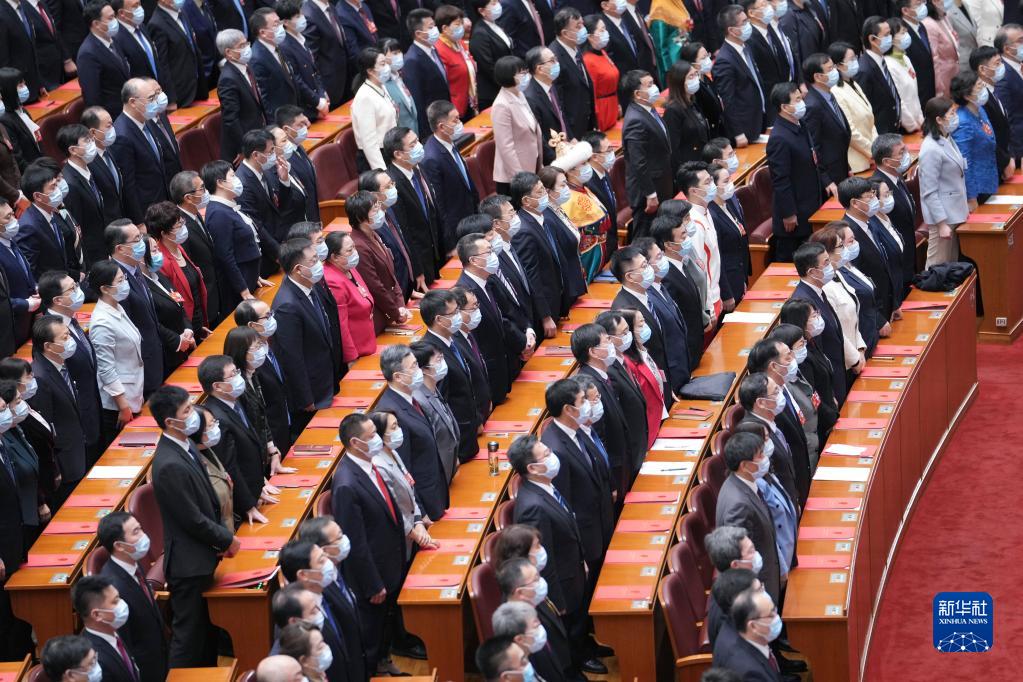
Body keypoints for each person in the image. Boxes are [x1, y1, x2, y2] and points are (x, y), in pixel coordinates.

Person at [150, 385, 239, 667]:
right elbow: (192, 519)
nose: (194, 415)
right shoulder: (168, 464)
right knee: (189, 638)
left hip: (203, 555)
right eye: (187, 410)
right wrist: (227, 539)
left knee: (207, 634)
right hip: (188, 564)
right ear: (170, 422)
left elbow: (208, 499)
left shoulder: (186, 445)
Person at [507, 434, 598, 674]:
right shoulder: (532, 507)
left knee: (579, 624)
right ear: (532, 468)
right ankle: (574, 670)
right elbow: (541, 559)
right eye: (546, 454)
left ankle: (585, 651)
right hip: (562, 584)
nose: (552, 455)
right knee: (568, 635)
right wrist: (557, 601)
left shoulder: (544, 484)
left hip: (573, 569)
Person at [331, 414, 408, 675]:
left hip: (389, 560)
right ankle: (373, 671)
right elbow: (355, 541)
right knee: (371, 634)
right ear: (355, 442)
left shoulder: (368, 465)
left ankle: (384, 663)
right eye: (372, 435)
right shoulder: (347, 483)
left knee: (385, 625)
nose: (378, 438)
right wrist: (372, 583)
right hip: (372, 574)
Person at [540, 378, 614, 583]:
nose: (587, 405)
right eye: (582, 401)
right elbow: (565, 506)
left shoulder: (576, 429)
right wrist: (580, 553)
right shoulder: (556, 449)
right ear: (568, 409)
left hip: (600, 524)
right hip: (586, 538)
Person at [270, 238, 340, 430]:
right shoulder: (287, 306)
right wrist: (305, 398)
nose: (319, 264)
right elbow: (292, 358)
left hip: (327, 381)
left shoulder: (310, 284)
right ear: (298, 269)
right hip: (312, 395)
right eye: (313, 260)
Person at [36, 271, 102, 464]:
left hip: (93, 415)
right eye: (72, 289)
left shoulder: (70, 321)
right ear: (58, 300)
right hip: (76, 433)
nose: (78, 291)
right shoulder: (49, 333)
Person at [96, 512, 168, 681]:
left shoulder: (132, 565)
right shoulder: (113, 589)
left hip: (159, 657)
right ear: (119, 546)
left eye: (140, 528)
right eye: (136, 532)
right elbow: (124, 643)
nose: (143, 535)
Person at [715, 431, 782, 608]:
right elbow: (741, 557)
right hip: (757, 590)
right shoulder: (738, 504)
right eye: (759, 455)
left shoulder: (737, 483)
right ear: (744, 465)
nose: (764, 457)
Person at [766, 82, 831, 262]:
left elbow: (814, 157)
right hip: (794, 217)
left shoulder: (800, 124)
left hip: (810, 203)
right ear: (785, 107)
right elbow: (780, 180)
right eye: (797, 100)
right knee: (792, 262)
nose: (802, 101)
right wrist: (788, 213)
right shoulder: (779, 138)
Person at [579, 317, 645, 492]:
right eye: (607, 340)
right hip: (614, 471)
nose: (611, 345)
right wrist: (611, 481)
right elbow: (598, 436)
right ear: (593, 351)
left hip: (623, 462)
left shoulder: (602, 375)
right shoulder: (589, 386)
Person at [745, 340, 813, 499]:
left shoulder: (782, 389)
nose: (793, 359)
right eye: (788, 357)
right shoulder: (768, 406)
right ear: (773, 366)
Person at [85, 262, 144, 444]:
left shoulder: (117, 307)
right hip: (117, 405)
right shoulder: (102, 323)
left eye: (124, 278)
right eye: (120, 280)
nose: (125, 283)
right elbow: (106, 369)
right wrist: (123, 405)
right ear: (105, 288)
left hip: (133, 391)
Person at [367, 410, 436, 556]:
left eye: (398, 425)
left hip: (413, 529)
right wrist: (416, 534)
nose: (399, 430)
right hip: (399, 537)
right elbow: (393, 508)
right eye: (393, 427)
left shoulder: (393, 452)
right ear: (380, 434)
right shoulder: (379, 465)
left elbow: (410, 488)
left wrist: (418, 521)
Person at [836, 177, 901, 326]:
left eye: (873, 194)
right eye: (869, 196)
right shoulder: (846, 236)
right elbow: (854, 282)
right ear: (854, 203)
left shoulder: (870, 222)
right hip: (872, 316)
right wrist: (878, 320)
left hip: (887, 304)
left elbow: (884, 263)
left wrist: (894, 303)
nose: (874, 199)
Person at [345, 190, 411, 334]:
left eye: (378, 207)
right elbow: (375, 286)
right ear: (360, 217)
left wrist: (400, 305)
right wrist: (395, 312)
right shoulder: (359, 245)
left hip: (392, 309)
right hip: (380, 316)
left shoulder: (374, 234)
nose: (380, 212)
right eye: (374, 209)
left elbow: (392, 276)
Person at [383, 126, 442, 284]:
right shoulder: (392, 184)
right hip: (417, 265)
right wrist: (416, 270)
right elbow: (404, 231)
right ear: (398, 154)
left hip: (432, 254)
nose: (419, 146)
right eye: (412, 144)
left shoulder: (416, 168)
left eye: (417, 141)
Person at [649, 208, 708, 363]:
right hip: (685, 352)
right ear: (669, 245)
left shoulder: (682, 263)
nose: (688, 239)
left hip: (696, 346)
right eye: (683, 236)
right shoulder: (666, 276)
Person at [809, 224, 872, 369]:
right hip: (845, 362)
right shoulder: (825, 287)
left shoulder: (837, 274)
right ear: (828, 253)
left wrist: (860, 348)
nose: (845, 250)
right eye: (841, 246)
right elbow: (836, 329)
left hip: (858, 354)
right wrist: (855, 359)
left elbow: (854, 315)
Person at [423, 101, 481, 255]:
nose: (460, 123)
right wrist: (450, 245)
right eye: (455, 120)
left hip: (468, 219)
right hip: (456, 232)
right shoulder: (431, 158)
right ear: (442, 127)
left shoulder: (449, 143)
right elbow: (439, 206)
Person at [792, 241, 847, 403]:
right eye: (826, 262)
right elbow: (813, 352)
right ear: (812, 272)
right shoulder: (803, 302)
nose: (831, 265)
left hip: (837, 372)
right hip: (827, 385)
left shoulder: (818, 292)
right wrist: (828, 394)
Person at [621, 69, 673, 240]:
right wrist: (650, 194)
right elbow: (638, 162)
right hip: (648, 192)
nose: (655, 87)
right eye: (649, 85)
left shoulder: (648, 109)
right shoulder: (635, 120)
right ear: (637, 93)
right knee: (645, 239)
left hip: (661, 182)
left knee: (659, 236)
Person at [110, 78, 172, 221]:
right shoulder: (122, 135)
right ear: (133, 102)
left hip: (163, 202)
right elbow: (128, 185)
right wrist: (139, 220)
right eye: (151, 98)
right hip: (147, 212)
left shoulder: (146, 120)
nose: (155, 102)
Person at [509, 171, 562, 335]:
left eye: (544, 189)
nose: (545, 194)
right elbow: (532, 277)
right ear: (526, 201)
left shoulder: (541, 218)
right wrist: (545, 316)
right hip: (545, 310)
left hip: (557, 299)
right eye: (540, 192)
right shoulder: (523, 231)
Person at [919, 96, 968, 266]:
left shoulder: (946, 137)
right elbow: (929, 192)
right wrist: (941, 224)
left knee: (950, 265)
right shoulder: (930, 149)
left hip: (955, 213)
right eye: (951, 113)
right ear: (939, 120)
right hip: (943, 218)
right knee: (936, 268)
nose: (955, 117)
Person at [148, 201, 208, 338]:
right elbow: (174, 300)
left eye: (182, 222)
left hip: (198, 322)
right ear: (164, 233)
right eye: (178, 225)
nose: (183, 227)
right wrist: (188, 329)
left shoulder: (179, 248)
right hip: (184, 330)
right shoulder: (161, 262)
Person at [358, 168, 419, 300]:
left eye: (392, 184)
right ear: (372, 195)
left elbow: (401, 247)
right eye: (387, 187)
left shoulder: (389, 209)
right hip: (394, 299)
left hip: (406, 291)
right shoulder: (372, 224)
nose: (393, 189)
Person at [712, 5, 766, 147]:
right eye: (744, 22)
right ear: (731, 30)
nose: (748, 25)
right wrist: (738, 133)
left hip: (760, 118)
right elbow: (728, 101)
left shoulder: (746, 47)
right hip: (746, 129)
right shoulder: (724, 61)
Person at [869, 134, 918, 288]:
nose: (906, 155)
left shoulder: (896, 176)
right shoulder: (877, 187)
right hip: (895, 262)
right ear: (886, 161)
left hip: (908, 253)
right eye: (901, 152)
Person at [408, 341, 460, 484]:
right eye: (438, 359)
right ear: (425, 369)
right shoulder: (419, 400)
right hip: (437, 474)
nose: (443, 363)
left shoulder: (434, 388)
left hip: (449, 466)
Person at [73, 574, 142, 682]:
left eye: (119, 597)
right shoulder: (95, 662)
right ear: (97, 615)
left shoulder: (113, 629)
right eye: (115, 601)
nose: (122, 604)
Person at [613, 308, 665, 448]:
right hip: (648, 427)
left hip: (659, 416)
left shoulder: (643, 350)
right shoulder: (628, 363)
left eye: (644, 321)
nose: (645, 326)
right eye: (640, 324)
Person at [56, 124, 107, 267]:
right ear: (73, 150)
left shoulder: (88, 169)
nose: (92, 143)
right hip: (93, 257)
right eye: (87, 140)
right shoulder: (70, 184)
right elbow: (78, 229)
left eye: (91, 139)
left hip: (103, 246)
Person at [491, 56, 542, 196]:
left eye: (525, 71)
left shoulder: (520, 95)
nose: (526, 76)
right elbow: (505, 146)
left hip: (531, 167)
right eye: (521, 73)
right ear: (508, 76)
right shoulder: (501, 105)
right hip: (514, 177)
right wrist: (521, 179)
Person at [322, 230, 375, 364]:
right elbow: (342, 325)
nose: (355, 253)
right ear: (334, 257)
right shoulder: (332, 281)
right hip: (356, 352)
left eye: (354, 247)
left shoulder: (349, 268)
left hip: (367, 343)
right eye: (350, 250)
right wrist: (351, 358)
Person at [215, 29, 267, 163]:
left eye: (246, 43)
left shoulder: (246, 67)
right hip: (244, 146)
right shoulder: (228, 79)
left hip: (257, 136)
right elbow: (231, 119)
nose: (247, 48)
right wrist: (244, 148)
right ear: (228, 52)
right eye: (241, 46)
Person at [704, 526, 763, 644]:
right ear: (735, 565)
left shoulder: (734, 586)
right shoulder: (736, 608)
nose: (756, 554)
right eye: (751, 551)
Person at [828, 41, 878, 174]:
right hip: (856, 163)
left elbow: (870, 120)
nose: (855, 62)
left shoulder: (854, 83)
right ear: (838, 65)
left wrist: (877, 147)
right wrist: (872, 151)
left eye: (856, 57)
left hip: (871, 156)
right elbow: (850, 131)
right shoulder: (835, 91)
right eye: (851, 59)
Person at [803, 52, 852, 185]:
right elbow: (814, 147)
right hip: (830, 177)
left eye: (834, 67)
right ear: (818, 76)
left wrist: (847, 166)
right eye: (830, 69)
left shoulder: (828, 95)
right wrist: (826, 180)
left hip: (841, 167)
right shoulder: (812, 106)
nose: (835, 71)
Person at [951, 69, 999, 205]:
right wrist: (971, 197)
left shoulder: (980, 110)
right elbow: (965, 162)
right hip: (977, 189)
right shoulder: (963, 122)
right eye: (979, 86)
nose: (984, 88)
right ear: (967, 95)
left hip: (990, 180)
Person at [276, 0, 329, 122]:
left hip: (318, 99)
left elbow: (314, 69)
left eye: (301, 14)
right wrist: (317, 102)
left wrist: (322, 94)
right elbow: (297, 79)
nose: (302, 18)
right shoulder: (284, 46)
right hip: (307, 107)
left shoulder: (302, 37)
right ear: (285, 22)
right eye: (297, 16)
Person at [548, 7, 597, 138]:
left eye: (582, 24)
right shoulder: (553, 57)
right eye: (578, 26)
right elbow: (558, 102)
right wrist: (569, 135)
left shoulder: (575, 47)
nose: (583, 29)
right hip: (572, 129)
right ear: (565, 33)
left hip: (586, 122)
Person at [706, 163, 749, 310]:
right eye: (726, 181)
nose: (731, 184)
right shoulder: (712, 215)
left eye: (730, 179)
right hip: (728, 284)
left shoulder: (728, 204)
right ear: (713, 186)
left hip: (739, 276)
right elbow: (718, 257)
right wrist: (726, 294)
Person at [744, 0, 794, 126]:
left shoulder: (771, 29)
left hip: (785, 94)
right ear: (751, 13)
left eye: (768, 3)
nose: (769, 7)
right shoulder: (750, 39)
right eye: (763, 5)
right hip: (770, 102)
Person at [76, 2, 130, 119]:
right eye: (110, 18)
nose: (115, 21)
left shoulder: (113, 40)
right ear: (96, 24)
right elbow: (92, 97)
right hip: (112, 117)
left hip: (126, 110)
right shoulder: (88, 54)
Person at [403, 9, 453, 134]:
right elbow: (418, 100)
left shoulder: (432, 49)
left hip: (444, 115)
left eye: (434, 25)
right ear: (419, 34)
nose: (435, 29)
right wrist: (427, 131)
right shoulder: (412, 60)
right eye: (431, 27)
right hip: (432, 125)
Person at [147, 0, 204, 107]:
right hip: (181, 95)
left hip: (196, 88)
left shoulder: (182, 13)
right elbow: (162, 64)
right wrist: (171, 99)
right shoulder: (156, 24)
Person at [187, 406, 235, 530]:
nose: (215, 428)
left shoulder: (207, 449)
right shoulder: (190, 463)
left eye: (214, 422)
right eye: (210, 425)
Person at [970, 45, 1014, 182]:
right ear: (982, 69)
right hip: (994, 169)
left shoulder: (993, 90)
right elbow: (987, 137)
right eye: (997, 63)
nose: (1002, 67)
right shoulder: (980, 98)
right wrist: (1005, 161)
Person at [491, 601, 564, 682]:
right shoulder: (521, 672)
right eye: (535, 626)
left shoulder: (535, 652)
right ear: (520, 639)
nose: (541, 628)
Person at [351, 48, 398, 172]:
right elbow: (369, 141)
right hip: (376, 158)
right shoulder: (364, 97)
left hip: (390, 149)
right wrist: (381, 171)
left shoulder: (381, 86)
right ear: (370, 71)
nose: (387, 67)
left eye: (386, 62)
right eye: (382, 64)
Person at [302, 0, 355, 108]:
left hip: (346, 75)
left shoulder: (330, 6)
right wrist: (321, 89)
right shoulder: (308, 14)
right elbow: (312, 57)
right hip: (330, 82)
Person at [249, 8, 299, 119]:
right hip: (280, 119)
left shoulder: (278, 45)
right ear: (263, 33)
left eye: (279, 22)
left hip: (293, 112)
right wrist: (276, 125)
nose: (281, 26)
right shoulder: (257, 59)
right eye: (276, 24)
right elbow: (265, 99)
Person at [855, 17, 901, 135]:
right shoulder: (864, 70)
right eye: (886, 35)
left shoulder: (881, 61)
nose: (890, 38)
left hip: (893, 130)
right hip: (881, 134)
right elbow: (865, 110)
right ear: (872, 39)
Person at [663, 60, 711, 173]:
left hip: (702, 163)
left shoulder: (692, 102)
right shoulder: (672, 111)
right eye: (691, 76)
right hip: (690, 170)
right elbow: (673, 150)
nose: (695, 79)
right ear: (679, 82)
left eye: (696, 74)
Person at [523, 46, 567, 167]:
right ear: (540, 69)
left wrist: (571, 139)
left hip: (563, 148)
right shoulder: (531, 98)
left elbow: (561, 115)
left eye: (556, 59)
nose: (557, 63)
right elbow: (538, 138)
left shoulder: (550, 85)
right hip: (550, 160)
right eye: (552, 60)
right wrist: (557, 161)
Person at [435, 5, 478, 119]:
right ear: (445, 28)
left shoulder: (459, 43)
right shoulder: (439, 49)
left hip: (470, 101)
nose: (461, 27)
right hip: (454, 107)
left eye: (461, 23)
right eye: (457, 24)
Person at [579, 15, 620, 131]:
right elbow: (592, 93)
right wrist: (595, 120)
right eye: (601, 30)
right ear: (590, 36)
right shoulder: (588, 60)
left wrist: (617, 104)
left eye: (605, 29)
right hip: (602, 111)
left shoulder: (602, 52)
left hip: (612, 105)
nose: (606, 33)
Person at [885, 17, 926, 132]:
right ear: (891, 37)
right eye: (902, 33)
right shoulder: (888, 64)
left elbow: (914, 95)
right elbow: (899, 100)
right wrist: (912, 125)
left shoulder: (905, 58)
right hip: (906, 126)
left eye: (906, 32)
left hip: (918, 121)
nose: (907, 35)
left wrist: (921, 119)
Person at [896, 0, 937, 104]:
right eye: (918, 4)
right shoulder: (901, 35)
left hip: (930, 88)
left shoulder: (921, 26)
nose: (923, 6)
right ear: (905, 10)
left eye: (923, 2)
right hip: (917, 93)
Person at [995, 24, 1023, 166]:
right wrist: (1015, 154)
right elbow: (1006, 119)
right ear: (1006, 49)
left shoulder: (1018, 65)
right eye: (1020, 41)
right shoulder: (1003, 76)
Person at [922, 0, 960, 98]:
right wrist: (939, 88)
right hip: (942, 78)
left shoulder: (944, 17)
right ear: (935, 1)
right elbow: (934, 58)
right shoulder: (928, 24)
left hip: (955, 72)